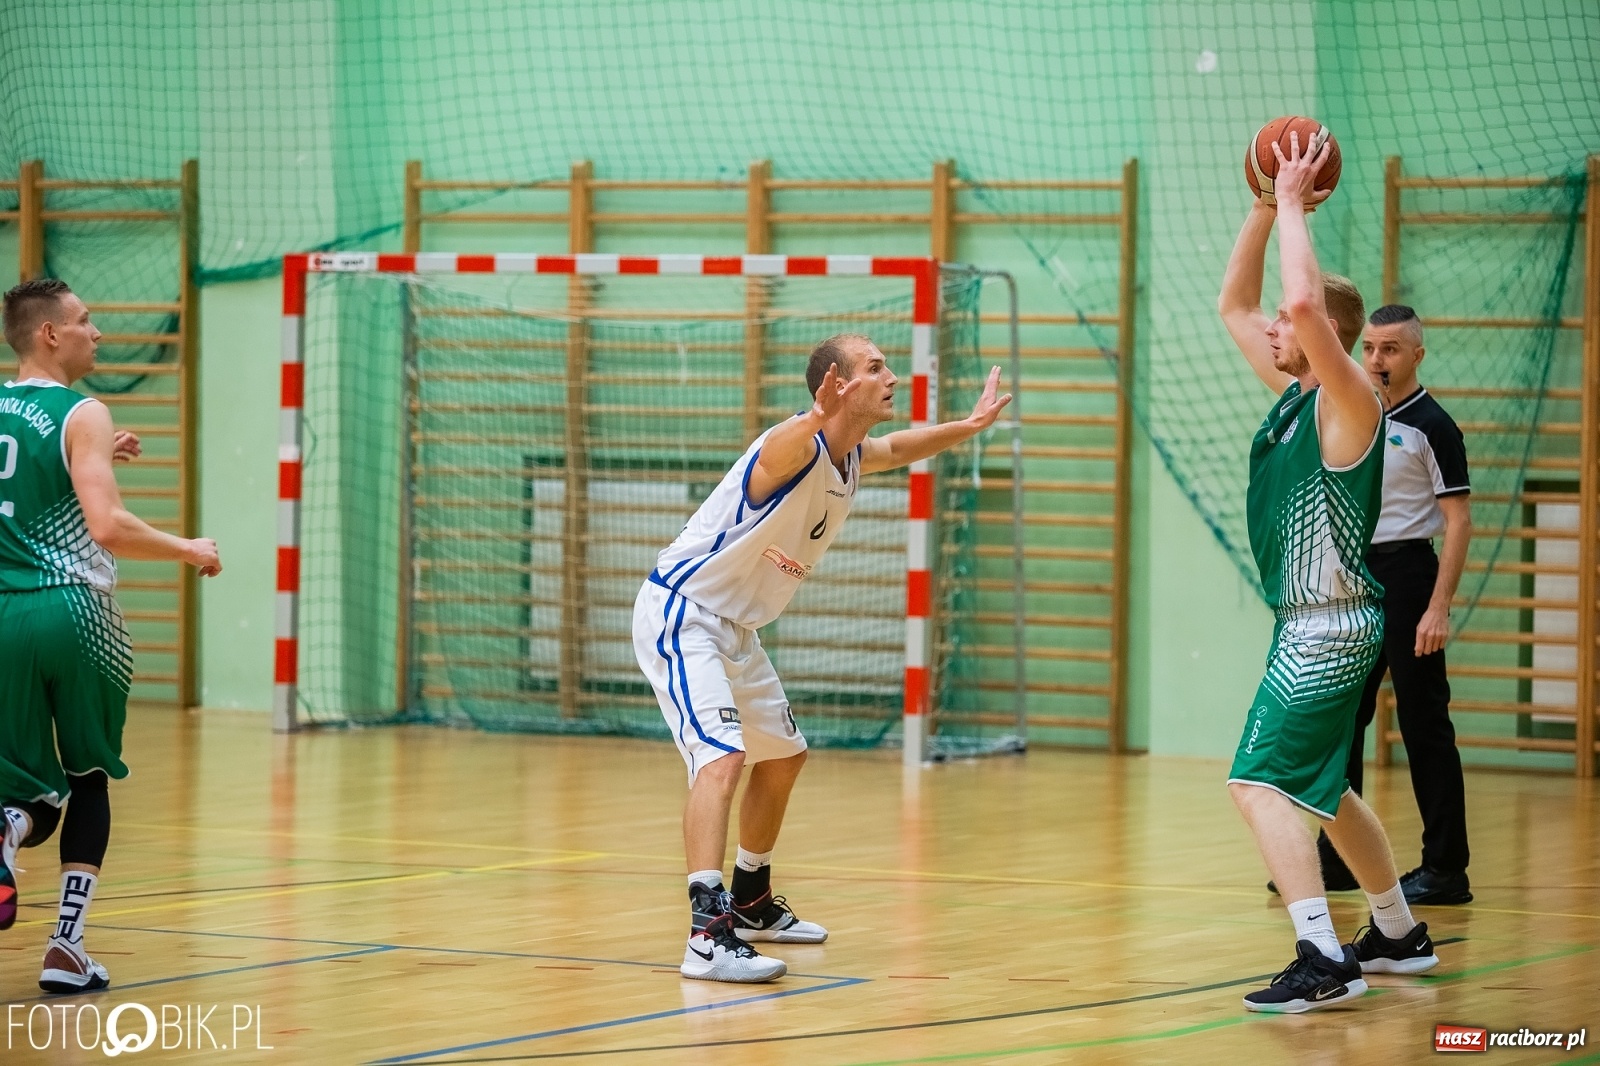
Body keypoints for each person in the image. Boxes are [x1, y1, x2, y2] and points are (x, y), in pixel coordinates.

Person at [632, 332, 1011, 983]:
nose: (890, 375)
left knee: (782, 757)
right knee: (721, 759)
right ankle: (707, 933)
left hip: (736, 630)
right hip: (683, 614)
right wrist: (813, 413)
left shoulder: (851, 456)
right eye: (875, 367)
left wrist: (969, 426)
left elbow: (899, 447)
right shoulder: (793, 448)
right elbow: (777, 447)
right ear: (837, 384)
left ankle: (751, 899)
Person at [1217, 133, 1439, 1014]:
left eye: (1287, 321)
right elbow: (1233, 302)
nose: (1271, 323)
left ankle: (1322, 955)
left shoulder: (1349, 403)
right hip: (1311, 623)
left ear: (1323, 338)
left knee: (1256, 779)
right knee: (1325, 788)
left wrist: (1300, 207)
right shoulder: (1292, 399)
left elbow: (1301, 303)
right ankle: (1394, 931)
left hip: (1327, 624)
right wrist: (1266, 206)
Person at [0, 278, 222, 993]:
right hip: (76, 617)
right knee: (87, 775)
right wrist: (187, 547)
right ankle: (65, 948)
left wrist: (88, 456)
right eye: (85, 320)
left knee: (26, 790)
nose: (96, 331)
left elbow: (29, 484)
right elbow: (107, 527)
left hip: (4, 616)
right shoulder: (82, 411)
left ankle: (4, 830)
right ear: (49, 336)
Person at [1289, 306, 1474, 905]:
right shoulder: (1352, 412)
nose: (1375, 360)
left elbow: (1458, 520)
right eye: (1369, 348)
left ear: (1417, 354)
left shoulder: (1432, 426)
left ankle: (1446, 868)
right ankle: (1341, 861)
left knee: (1424, 726)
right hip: (1355, 578)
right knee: (1342, 722)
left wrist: (1438, 606)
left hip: (1408, 574)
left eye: (1390, 350)